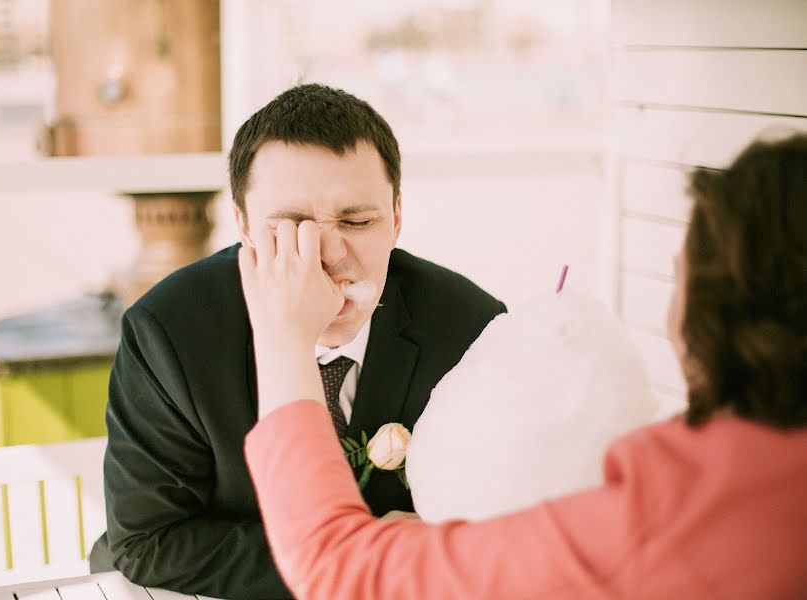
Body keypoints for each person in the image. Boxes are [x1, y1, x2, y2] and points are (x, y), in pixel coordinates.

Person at [241, 133, 807, 598]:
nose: (329, 253)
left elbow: (340, 570)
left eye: (678, 270)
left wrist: (282, 337)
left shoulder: (675, 523)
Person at [89, 83, 507, 598]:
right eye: (290, 227)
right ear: (242, 224)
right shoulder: (169, 330)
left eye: (358, 221)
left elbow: (506, 519)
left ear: (397, 217)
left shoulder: (472, 327)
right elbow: (148, 541)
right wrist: (367, 558)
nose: (328, 256)